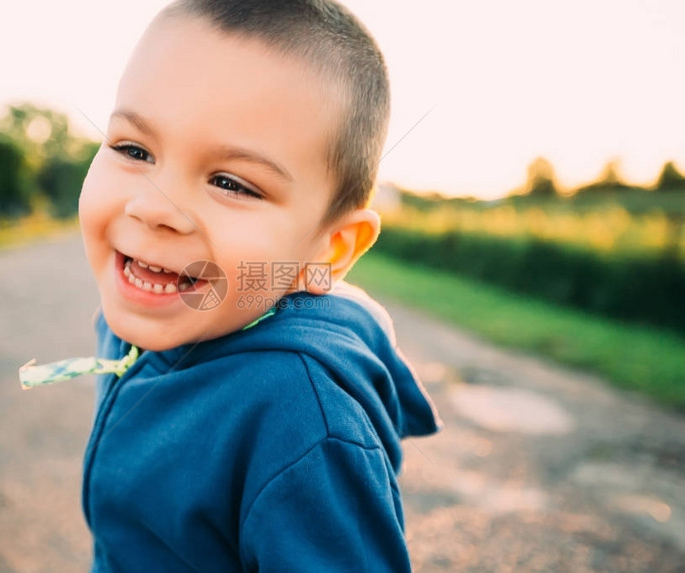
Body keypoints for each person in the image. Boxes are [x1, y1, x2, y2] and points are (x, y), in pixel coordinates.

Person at [77, 1, 442, 570]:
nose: (153, 207)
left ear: (331, 248)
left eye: (231, 183)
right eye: (133, 149)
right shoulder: (146, 318)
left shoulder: (301, 421)